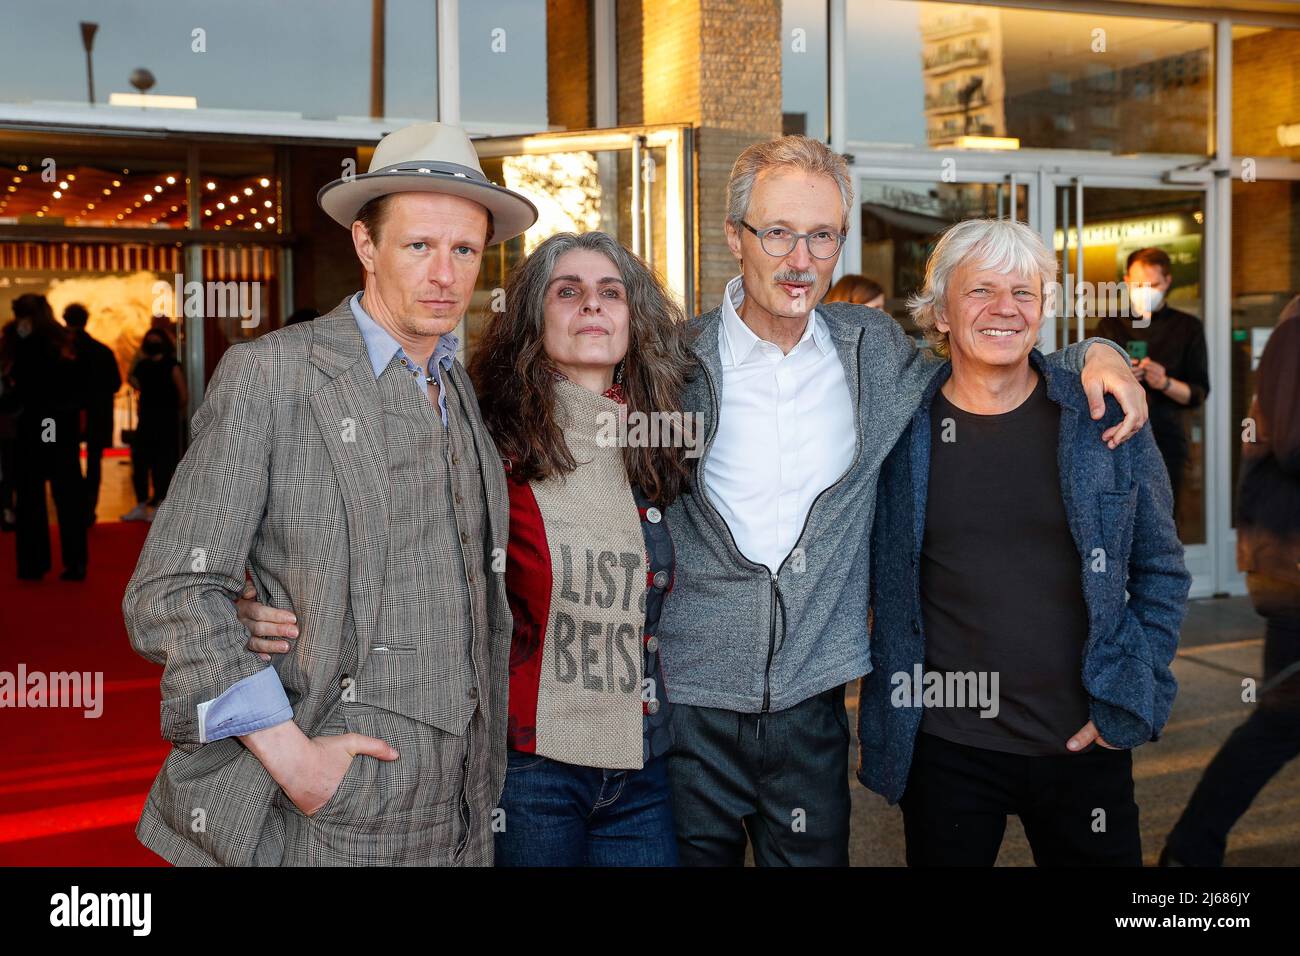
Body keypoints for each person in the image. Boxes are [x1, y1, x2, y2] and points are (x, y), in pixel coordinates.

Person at [655, 134, 1149, 866]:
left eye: (821, 236)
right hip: (688, 704)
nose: (800, 260)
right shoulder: (671, 363)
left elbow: (991, 347)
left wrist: (1094, 352)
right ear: (735, 236)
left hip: (814, 705)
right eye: (779, 232)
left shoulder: (872, 351)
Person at [123, 121, 539, 866]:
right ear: (365, 245)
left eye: (465, 250)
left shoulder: (458, 386)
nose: (445, 274)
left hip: (462, 810)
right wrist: (293, 759)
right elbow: (172, 591)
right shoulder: (274, 377)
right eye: (419, 246)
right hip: (323, 812)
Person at [858, 219, 1190, 866]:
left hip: (1084, 743)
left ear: (1043, 311)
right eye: (981, 290)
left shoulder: (1103, 417)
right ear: (941, 312)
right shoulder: (897, 424)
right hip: (946, 749)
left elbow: (1162, 570)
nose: (1005, 308)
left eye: (1025, 292)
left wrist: (1134, 695)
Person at [1161, 296, 1300, 866]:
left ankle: (1191, 849)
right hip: (1291, 563)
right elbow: (1292, 442)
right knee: (1281, 720)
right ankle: (1191, 851)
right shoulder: (1297, 330)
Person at [1096, 247, 1211, 514]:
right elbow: (1091, 381)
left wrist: (1165, 383)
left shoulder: (1187, 327)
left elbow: (1198, 393)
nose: (1145, 290)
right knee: (1120, 521)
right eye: (1138, 284)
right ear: (1126, 281)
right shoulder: (1111, 325)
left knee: (1164, 522)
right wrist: (1119, 377)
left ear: (1168, 282)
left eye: (1153, 284)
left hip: (1168, 441)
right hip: (1116, 439)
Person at [7, 294, 88, 580]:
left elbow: (19, 382)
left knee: (31, 494)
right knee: (66, 493)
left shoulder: (20, 338)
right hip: (56, 424)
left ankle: (33, 563)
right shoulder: (63, 340)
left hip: (38, 423)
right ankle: (75, 561)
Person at [64, 303, 122, 525]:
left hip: (69, 414)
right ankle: (89, 508)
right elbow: (115, 384)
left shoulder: (65, 350)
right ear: (86, 321)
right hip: (97, 414)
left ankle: (76, 506)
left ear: (65, 320)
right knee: (94, 462)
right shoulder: (102, 350)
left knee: (70, 460)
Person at [120, 328, 185, 522]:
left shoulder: (172, 365)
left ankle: (159, 503)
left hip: (165, 422)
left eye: (156, 340)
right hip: (145, 421)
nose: (152, 343)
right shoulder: (143, 365)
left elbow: (183, 396)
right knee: (139, 462)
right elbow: (132, 379)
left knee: (162, 464)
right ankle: (141, 504)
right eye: (149, 340)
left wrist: (171, 412)